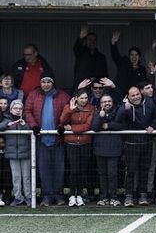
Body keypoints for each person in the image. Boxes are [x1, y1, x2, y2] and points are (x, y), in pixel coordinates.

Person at [23, 72, 70, 206]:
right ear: (40, 83)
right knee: (44, 170)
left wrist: (62, 126)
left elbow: (68, 113)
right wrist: (34, 126)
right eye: (43, 82)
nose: (46, 84)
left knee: (59, 170)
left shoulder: (63, 96)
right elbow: (27, 111)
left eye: (48, 82)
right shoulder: (34, 95)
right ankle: (47, 197)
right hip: (41, 139)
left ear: (53, 82)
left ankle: (59, 196)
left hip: (57, 140)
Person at [114, 86, 156, 207]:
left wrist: (152, 126)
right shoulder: (124, 107)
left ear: (141, 93)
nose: (136, 97)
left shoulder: (149, 103)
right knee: (131, 171)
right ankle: (128, 196)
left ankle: (143, 195)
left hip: (146, 143)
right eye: (132, 95)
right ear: (128, 97)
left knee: (145, 170)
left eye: (137, 94)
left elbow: (155, 117)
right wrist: (124, 109)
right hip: (131, 144)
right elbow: (118, 121)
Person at [59, 90, 95, 207]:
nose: (84, 100)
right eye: (81, 98)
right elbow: (62, 121)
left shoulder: (91, 108)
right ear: (76, 98)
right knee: (74, 171)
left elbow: (88, 126)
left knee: (82, 170)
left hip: (85, 143)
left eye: (86, 98)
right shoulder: (68, 107)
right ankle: (71, 195)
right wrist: (71, 110)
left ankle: (79, 194)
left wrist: (72, 128)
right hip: (71, 143)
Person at [91, 94, 122, 206]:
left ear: (112, 102)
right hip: (100, 148)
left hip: (114, 148)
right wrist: (100, 117)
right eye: (104, 102)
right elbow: (94, 127)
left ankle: (114, 197)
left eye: (109, 101)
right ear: (100, 104)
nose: (107, 103)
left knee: (112, 174)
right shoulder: (97, 112)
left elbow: (122, 125)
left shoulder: (118, 111)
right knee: (102, 174)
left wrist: (108, 125)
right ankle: (103, 197)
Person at [0, 100, 32, 206]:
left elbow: (32, 129)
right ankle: (18, 197)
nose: (18, 110)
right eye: (15, 108)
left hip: (25, 152)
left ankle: (28, 197)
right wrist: (8, 124)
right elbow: (1, 126)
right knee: (16, 177)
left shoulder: (27, 119)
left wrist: (24, 125)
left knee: (27, 177)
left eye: (20, 108)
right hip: (12, 153)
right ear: (11, 109)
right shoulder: (6, 118)